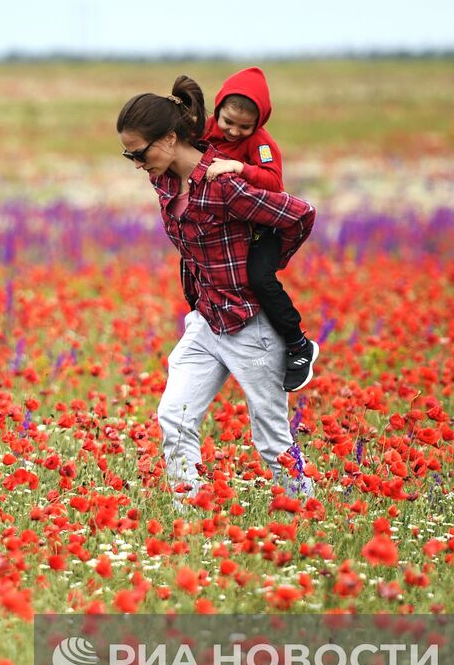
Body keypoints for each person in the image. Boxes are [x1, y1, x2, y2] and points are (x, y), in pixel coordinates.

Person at [117, 75, 316, 501]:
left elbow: (300, 213)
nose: (136, 163)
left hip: (251, 325)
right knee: (174, 416)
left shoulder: (225, 185)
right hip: (207, 319)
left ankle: (309, 509)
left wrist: (264, 266)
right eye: (127, 154)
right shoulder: (164, 181)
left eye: (139, 153)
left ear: (169, 139)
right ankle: (191, 514)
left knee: (271, 443)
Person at [201, 67, 319, 392]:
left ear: (259, 123)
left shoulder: (261, 143)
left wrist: (239, 166)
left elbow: (274, 182)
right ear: (217, 110)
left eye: (244, 126)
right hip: (229, 227)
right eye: (228, 122)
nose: (234, 132)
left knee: (260, 279)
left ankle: (298, 345)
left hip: (263, 227)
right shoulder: (205, 130)